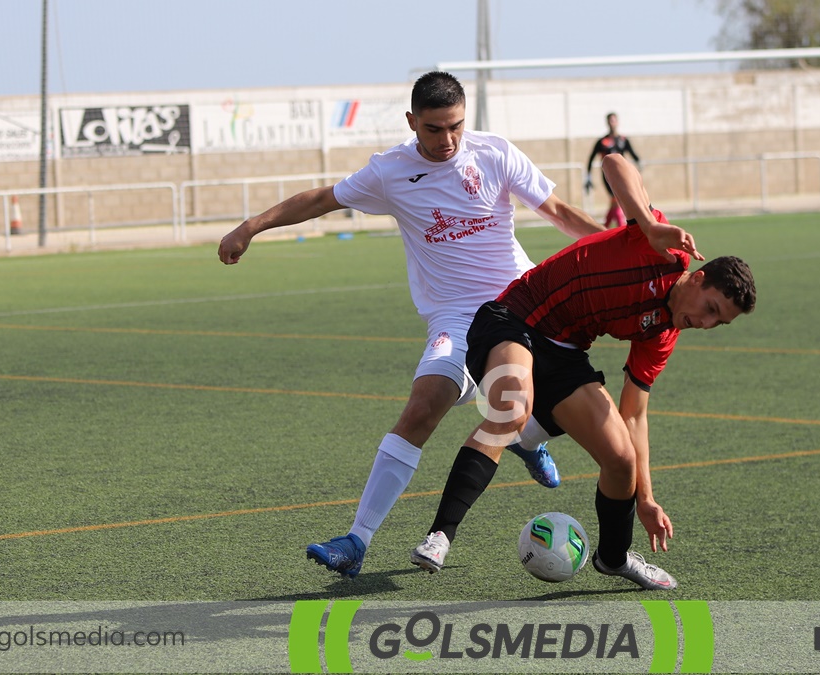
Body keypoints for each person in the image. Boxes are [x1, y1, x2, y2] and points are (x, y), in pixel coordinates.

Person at [217, 72, 604, 578]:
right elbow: (320, 200)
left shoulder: (494, 153)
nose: (447, 141)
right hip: (455, 315)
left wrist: (629, 247)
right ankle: (356, 540)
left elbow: (558, 212)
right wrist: (251, 227)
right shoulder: (390, 171)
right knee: (423, 406)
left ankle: (529, 441)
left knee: (522, 404)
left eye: (456, 127)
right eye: (433, 129)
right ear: (411, 123)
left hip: (519, 307)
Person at [410, 154, 756, 590]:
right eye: (710, 309)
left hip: (565, 352)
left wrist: (645, 498)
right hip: (512, 319)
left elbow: (634, 415)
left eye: (718, 322)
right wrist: (647, 223)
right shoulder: (661, 248)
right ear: (698, 277)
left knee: (620, 458)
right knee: (511, 411)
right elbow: (614, 162)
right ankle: (440, 535)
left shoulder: (663, 333)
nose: (706, 324)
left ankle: (613, 558)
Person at [585, 112, 641, 228]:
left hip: (623, 175)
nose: (612, 123)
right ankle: (621, 226)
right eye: (610, 120)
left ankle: (605, 227)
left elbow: (633, 154)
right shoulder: (602, 141)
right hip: (608, 176)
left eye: (614, 120)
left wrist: (638, 166)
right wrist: (588, 177)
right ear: (607, 123)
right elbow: (591, 159)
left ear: (617, 122)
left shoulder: (623, 140)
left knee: (615, 201)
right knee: (617, 200)